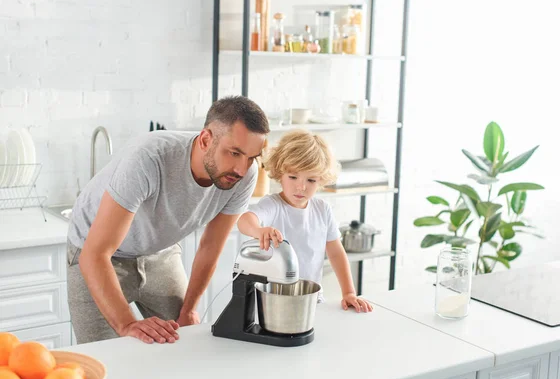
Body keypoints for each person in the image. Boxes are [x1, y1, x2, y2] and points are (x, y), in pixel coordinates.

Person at [66, 96, 269, 344]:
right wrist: (127, 324)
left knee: (185, 342)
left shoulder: (243, 176)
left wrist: (189, 310)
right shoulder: (148, 158)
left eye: (251, 157)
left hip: (160, 253)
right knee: (104, 359)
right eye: (234, 153)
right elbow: (95, 254)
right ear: (206, 139)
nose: (241, 168)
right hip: (97, 253)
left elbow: (210, 248)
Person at [237, 130, 373, 312]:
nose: (301, 186)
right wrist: (258, 231)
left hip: (312, 299)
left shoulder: (323, 210)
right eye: (293, 177)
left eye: (311, 180)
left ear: (321, 180)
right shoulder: (273, 205)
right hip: (275, 302)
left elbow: (336, 253)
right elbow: (245, 220)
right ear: (280, 173)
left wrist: (349, 292)